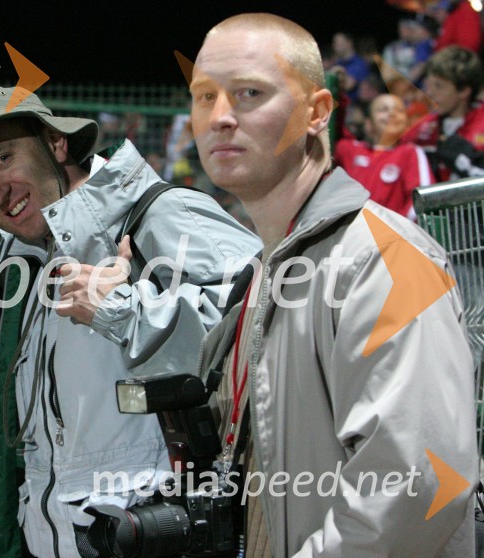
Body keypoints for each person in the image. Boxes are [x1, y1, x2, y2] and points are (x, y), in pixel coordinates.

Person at [0, 88, 261, 557]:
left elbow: (269, 329)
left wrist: (126, 311)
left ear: (56, 143)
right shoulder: (24, 255)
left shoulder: (161, 212)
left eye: (2, 157)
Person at [191, 13, 476, 557]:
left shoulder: (388, 258)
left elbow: (420, 486)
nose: (220, 117)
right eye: (205, 96)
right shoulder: (263, 273)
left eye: (250, 93)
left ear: (317, 112)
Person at [334, 93, 434, 219]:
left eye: (400, 110)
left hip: (392, 234)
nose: (392, 114)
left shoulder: (410, 152)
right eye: (383, 110)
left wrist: (397, 230)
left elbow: (422, 198)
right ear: (368, 123)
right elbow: (330, 129)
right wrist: (340, 92)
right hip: (351, 232)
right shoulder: (350, 150)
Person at [402, 45, 484, 181]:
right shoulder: (420, 128)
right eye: (428, 84)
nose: (429, 93)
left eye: (439, 86)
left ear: (464, 91)